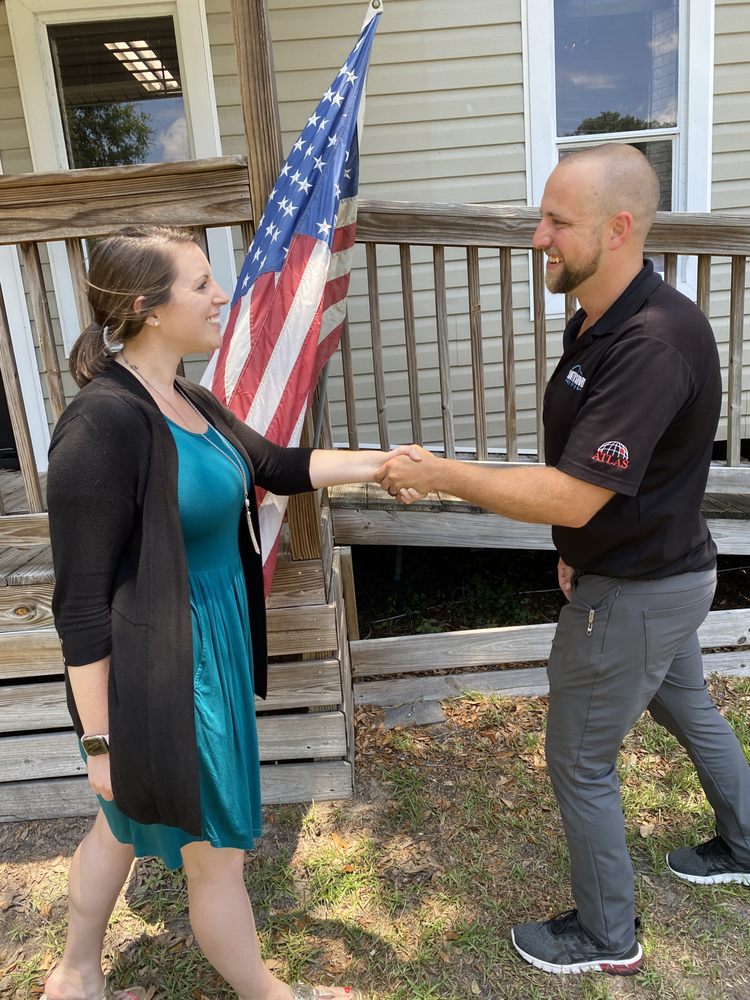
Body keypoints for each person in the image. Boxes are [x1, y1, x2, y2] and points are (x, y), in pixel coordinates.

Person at [375, 143, 750, 976]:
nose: (537, 237)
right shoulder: (603, 317)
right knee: (688, 706)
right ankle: (745, 843)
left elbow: (577, 492)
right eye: (540, 216)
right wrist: (581, 550)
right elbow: (611, 481)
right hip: (664, 570)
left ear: (618, 229)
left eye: (556, 222)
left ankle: (606, 937)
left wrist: (440, 476)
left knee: (580, 760)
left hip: (638, 595)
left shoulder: (651, 342)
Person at [43, 225, 419, 1000]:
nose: (222, 297)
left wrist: (382, 466)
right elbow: (78, 603)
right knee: (213, 854)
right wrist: (100, 744)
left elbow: (276, 465)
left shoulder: (187, 396)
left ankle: (74, 975)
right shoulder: (101, 424)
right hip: (163, 672)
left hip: (207, 644)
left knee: (121, 831)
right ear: (148, 307)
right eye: (202, 284)